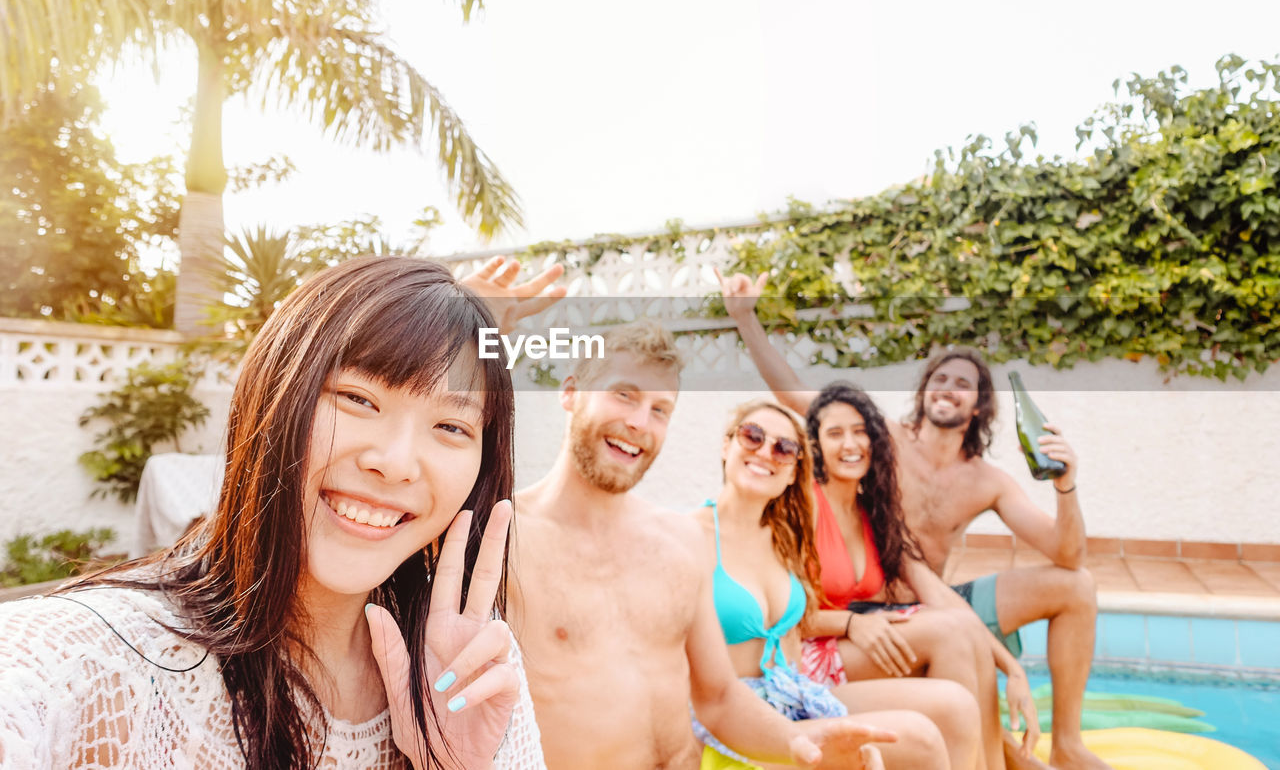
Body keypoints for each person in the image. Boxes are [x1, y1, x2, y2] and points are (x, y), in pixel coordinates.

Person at [0, 256, 557, 770]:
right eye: (358, 399)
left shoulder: (470, 671)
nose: (396, 463)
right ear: (274, 394)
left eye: (451, 427)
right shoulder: (89, 660)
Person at [509, 321, 948, 770]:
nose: (640, 422)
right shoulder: (505, 537)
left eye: (661, 409)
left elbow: (719, 698)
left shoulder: (676, 544)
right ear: (570, 393)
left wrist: (803, 747)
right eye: (624, 394)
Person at [719, 269, 1110, 770]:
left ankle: (1064, 745)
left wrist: (1065, 485)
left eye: (963, 384)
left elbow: (1067, 554)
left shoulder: (984, 480)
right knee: (948, 629)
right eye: (940, 379)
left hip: (922, 602)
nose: (948, 389)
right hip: (860, 616)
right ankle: (1001, 757)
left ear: (979, 406)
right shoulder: (874, 441)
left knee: (1074, 585)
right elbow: (794, 394)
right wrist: (746, 319)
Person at [693, 399, 984, 770]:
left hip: (794, 695)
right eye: (752, 437)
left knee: (956, 707)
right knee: (921, 738)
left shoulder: (783, 536)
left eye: (783, 448)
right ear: (726, 445)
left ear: (792, 470)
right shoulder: (690, 535)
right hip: (737, 715)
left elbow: (797, 632)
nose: (766, 452)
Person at [792, 383, 1028, 770]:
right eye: (835, 433)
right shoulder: (805, 507)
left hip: (842, 648)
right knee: (948, 632)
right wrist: (850, 623)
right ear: (816, 445)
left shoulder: (873, 514)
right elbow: (779, 616)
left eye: (859, 431)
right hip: (802, 660)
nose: (850, 444)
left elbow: (941, 596)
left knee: (956, 628)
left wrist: (1013, 668)